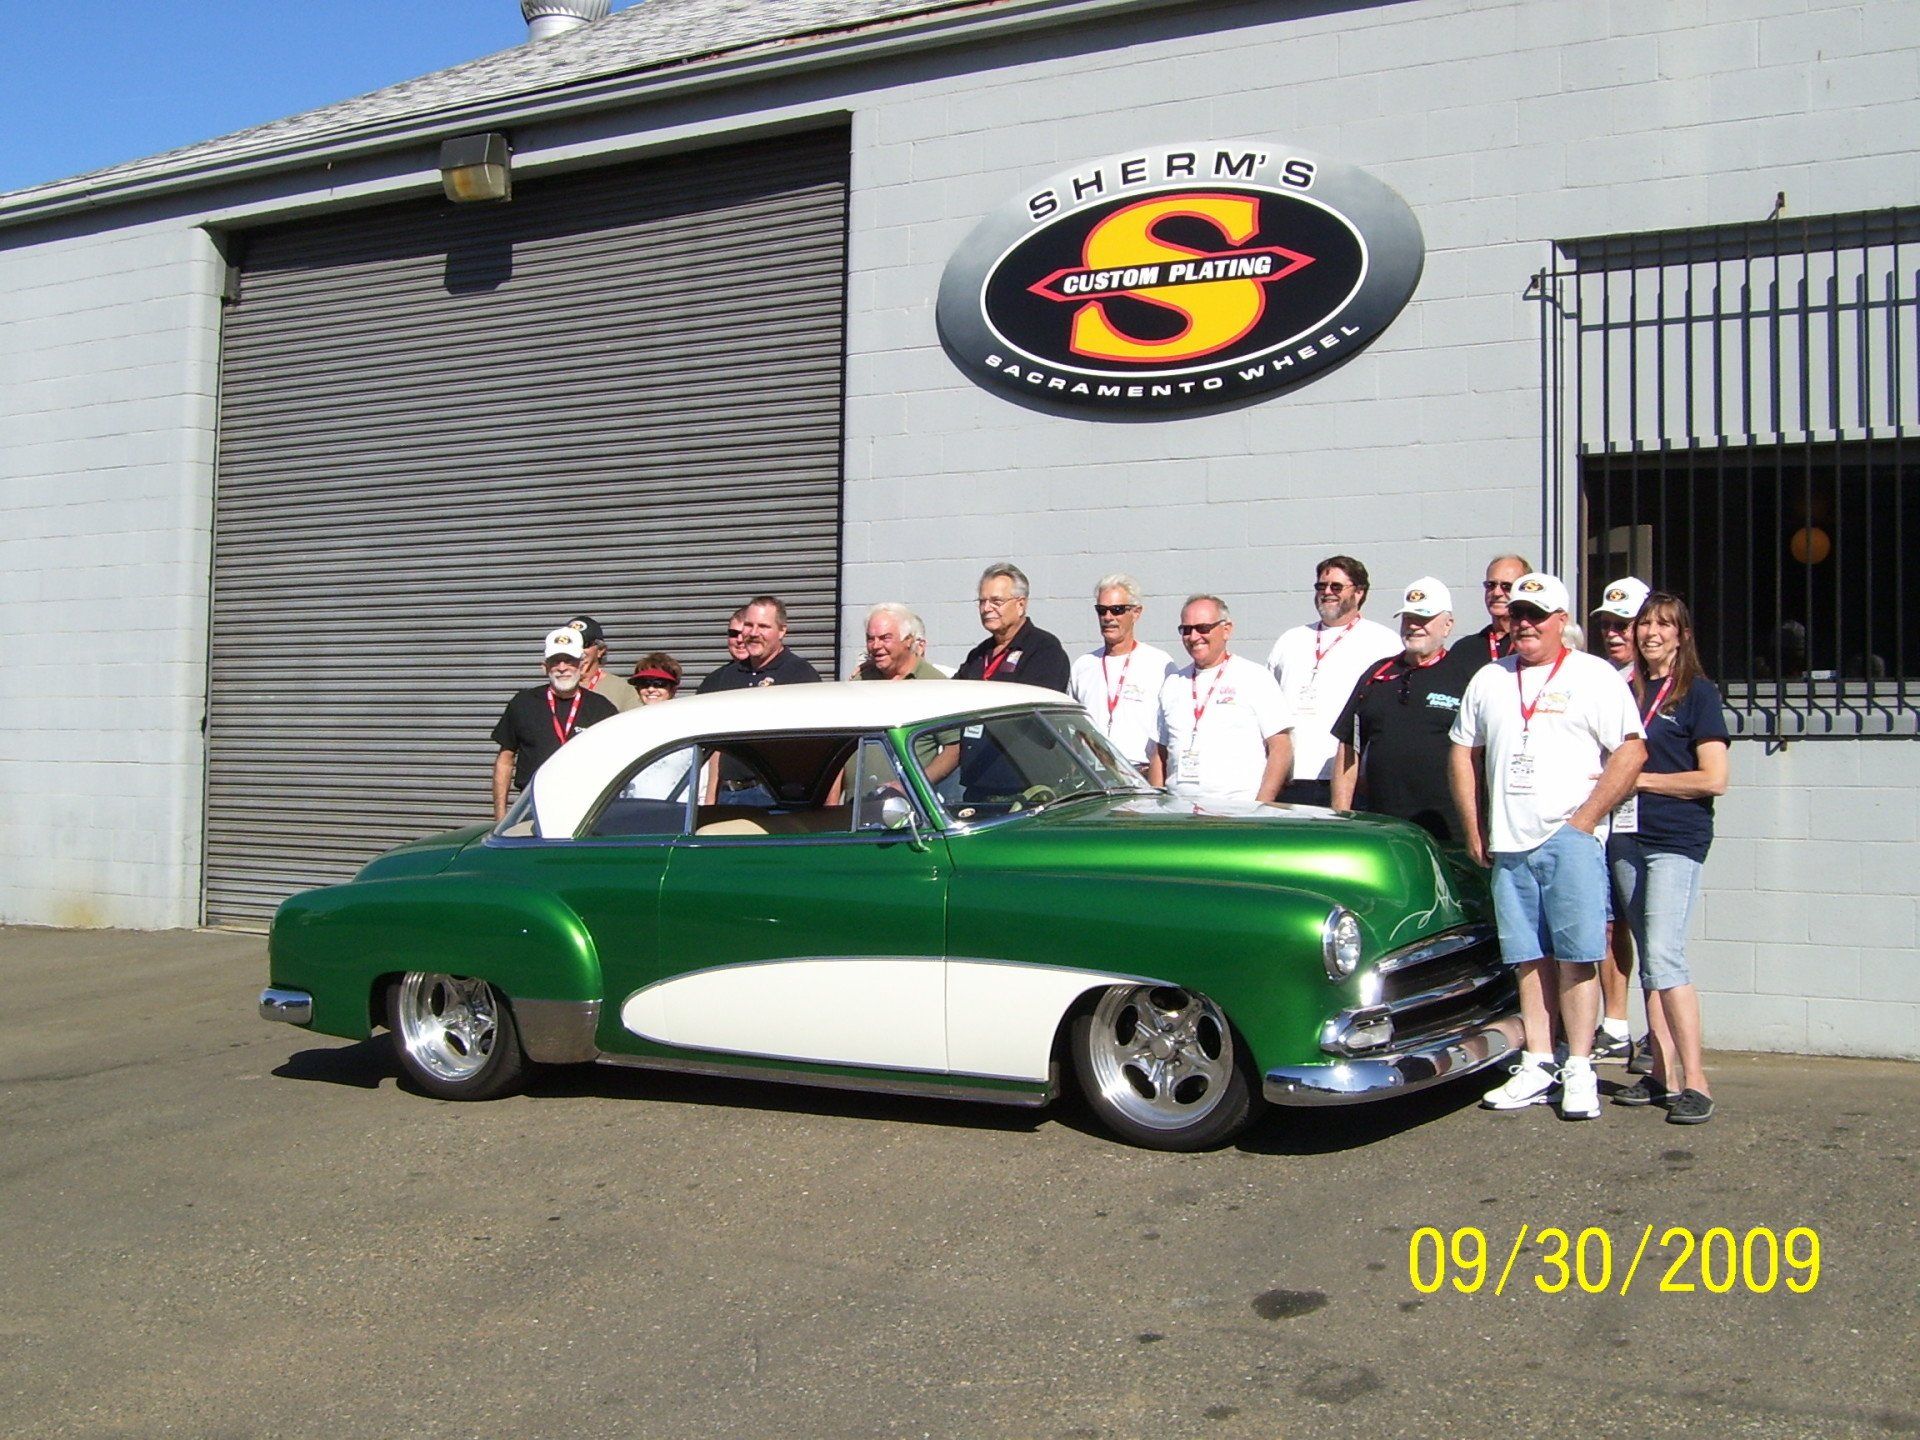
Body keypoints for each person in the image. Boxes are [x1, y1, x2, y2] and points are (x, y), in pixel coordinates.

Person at [1448, 572, 1646, 1121]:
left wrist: (1585, 820)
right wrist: (1474, 826)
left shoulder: (1594, 676)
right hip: (1509, 844)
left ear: (1562, 621)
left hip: (1569, 839)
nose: (1526, 624)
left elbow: (1630, 751)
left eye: (1537, 615)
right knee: (1527, 958)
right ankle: (1538, 1060)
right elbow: (1463, 751)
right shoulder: (1490, 677)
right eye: (1517, 614)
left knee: (1578, 956)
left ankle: (1579, 1065)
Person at [1611, 593, 1729, 1125]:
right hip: (1627, 837)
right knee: (1648, 958)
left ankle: (1696, 1081)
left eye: (1664, 625)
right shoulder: (1625, 691)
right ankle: (1661, 1071)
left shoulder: (1697, 694)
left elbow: (1714, 779)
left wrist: (1641, 780)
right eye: (1645, 624)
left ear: (1682, 635)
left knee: (1666, 956)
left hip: (1675, 840)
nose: (1651, 633)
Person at [1328, 578, 1473, 844]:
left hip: (1450, 831)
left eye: (1424, 618)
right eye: (1408, 618)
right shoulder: (1377, 674)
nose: (1414, 626)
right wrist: (1341, 818)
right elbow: (1349, 747)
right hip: (1385, 828)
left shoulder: (1467, 677)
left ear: (1448, 625)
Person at [1264, 555, 1399, 804]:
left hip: (1348, 782)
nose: (1327, 592)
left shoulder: (1383, 643)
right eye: (1321, 586)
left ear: (1359, 592)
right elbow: (1268, 710)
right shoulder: (1290, 640)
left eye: (1336, 586)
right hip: (1290, 781)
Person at [1588, 575, 1652, 1065]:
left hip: (1651, 824)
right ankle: (1616, 1024)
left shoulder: (1664, 685)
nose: (1613, 634)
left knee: (1650, 927)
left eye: (1623, 624)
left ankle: (1661, 1030)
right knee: (1608, 926)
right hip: (1603, 823)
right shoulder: (1595, 679)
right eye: (1607, 625)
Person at [1147, 595, 1292, 804]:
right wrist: (1156, 807)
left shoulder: (1254, 677)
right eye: (1186, 630)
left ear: (1226, 630)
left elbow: (1281, 747)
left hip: (1236, 814)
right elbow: (1159, 754)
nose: (1194, 636)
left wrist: (1260, 806)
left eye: (1203, 628)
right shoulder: (1173, 683)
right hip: (1178, 814)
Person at [490, 627, 619, 820]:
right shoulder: (523, 703)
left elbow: (614, 763)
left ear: (581, 665)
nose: (562, 667)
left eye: (569, 661)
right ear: (544, 666)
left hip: (585, 811)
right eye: (555, 661)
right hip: (532, 809)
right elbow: (505, 761)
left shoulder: (602, 708)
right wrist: (501, 817)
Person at [1068, 573, 1178, 772]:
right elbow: (1073, 730)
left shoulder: (1160, 664)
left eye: (1117, 610)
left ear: (1136, 613)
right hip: (1095, 776)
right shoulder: (1083, 666)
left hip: (1140, 774)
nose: (1108, 617)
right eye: (1102, 610)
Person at [955, 563, 1071, 691]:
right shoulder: (978, 654)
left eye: (996, 602)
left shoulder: (1044, 649)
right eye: (982, 601)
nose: (986, 608)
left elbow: (1036, 704)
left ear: (1020, 605)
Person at [697, 595, 822, 692]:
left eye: (763, 626)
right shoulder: (723, 677)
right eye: (749, 625)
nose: (754, 633)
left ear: (781, 631)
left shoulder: (801, 675)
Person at [1467, 554, 1533, 667]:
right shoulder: (1465, 650)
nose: (1496, 593)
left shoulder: (1534, 644)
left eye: (1507, 586)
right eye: (1491, 585)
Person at [564, 615, 639, 712]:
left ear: (600, 650)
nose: (578, 651)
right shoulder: (557, 687)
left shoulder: (622, 689)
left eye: (584, 644)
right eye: (571, 644)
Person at [855, 603, 944, 680]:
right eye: (870, 639)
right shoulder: (862, 682)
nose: (875, 646)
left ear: (908, 640)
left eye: (885, 638)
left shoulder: (935, 683)